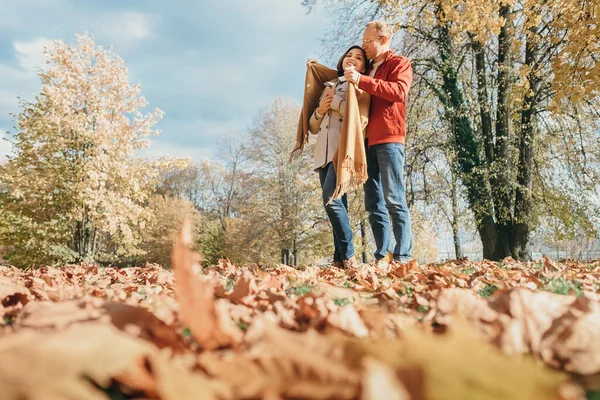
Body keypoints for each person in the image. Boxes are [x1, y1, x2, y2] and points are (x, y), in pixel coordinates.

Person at [293, 46, 371, 269]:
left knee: (332, 200)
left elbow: (358, 117)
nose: (352, 59)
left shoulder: (360, 85)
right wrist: (320, 110)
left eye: (358, 58)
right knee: (338, 204)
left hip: (342, 151)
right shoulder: (328, 85)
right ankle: (339, 259)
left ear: (363, 66)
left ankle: (349, 254)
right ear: (342, 60)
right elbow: (313, 127)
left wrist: (334, 103)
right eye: (349, 55)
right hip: (323, 154)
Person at [344, 20, 413, 268]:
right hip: (365, 143)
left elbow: (398, 92)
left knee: (394, 198)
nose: (364, 45)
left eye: (368, 41)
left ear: (384, 40)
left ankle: (403, 256)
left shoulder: (399, 63)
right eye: (363, 40)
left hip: (389, 140)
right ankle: (382, 255)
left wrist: (362, 81)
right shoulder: (368, 67)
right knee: (373, 203)